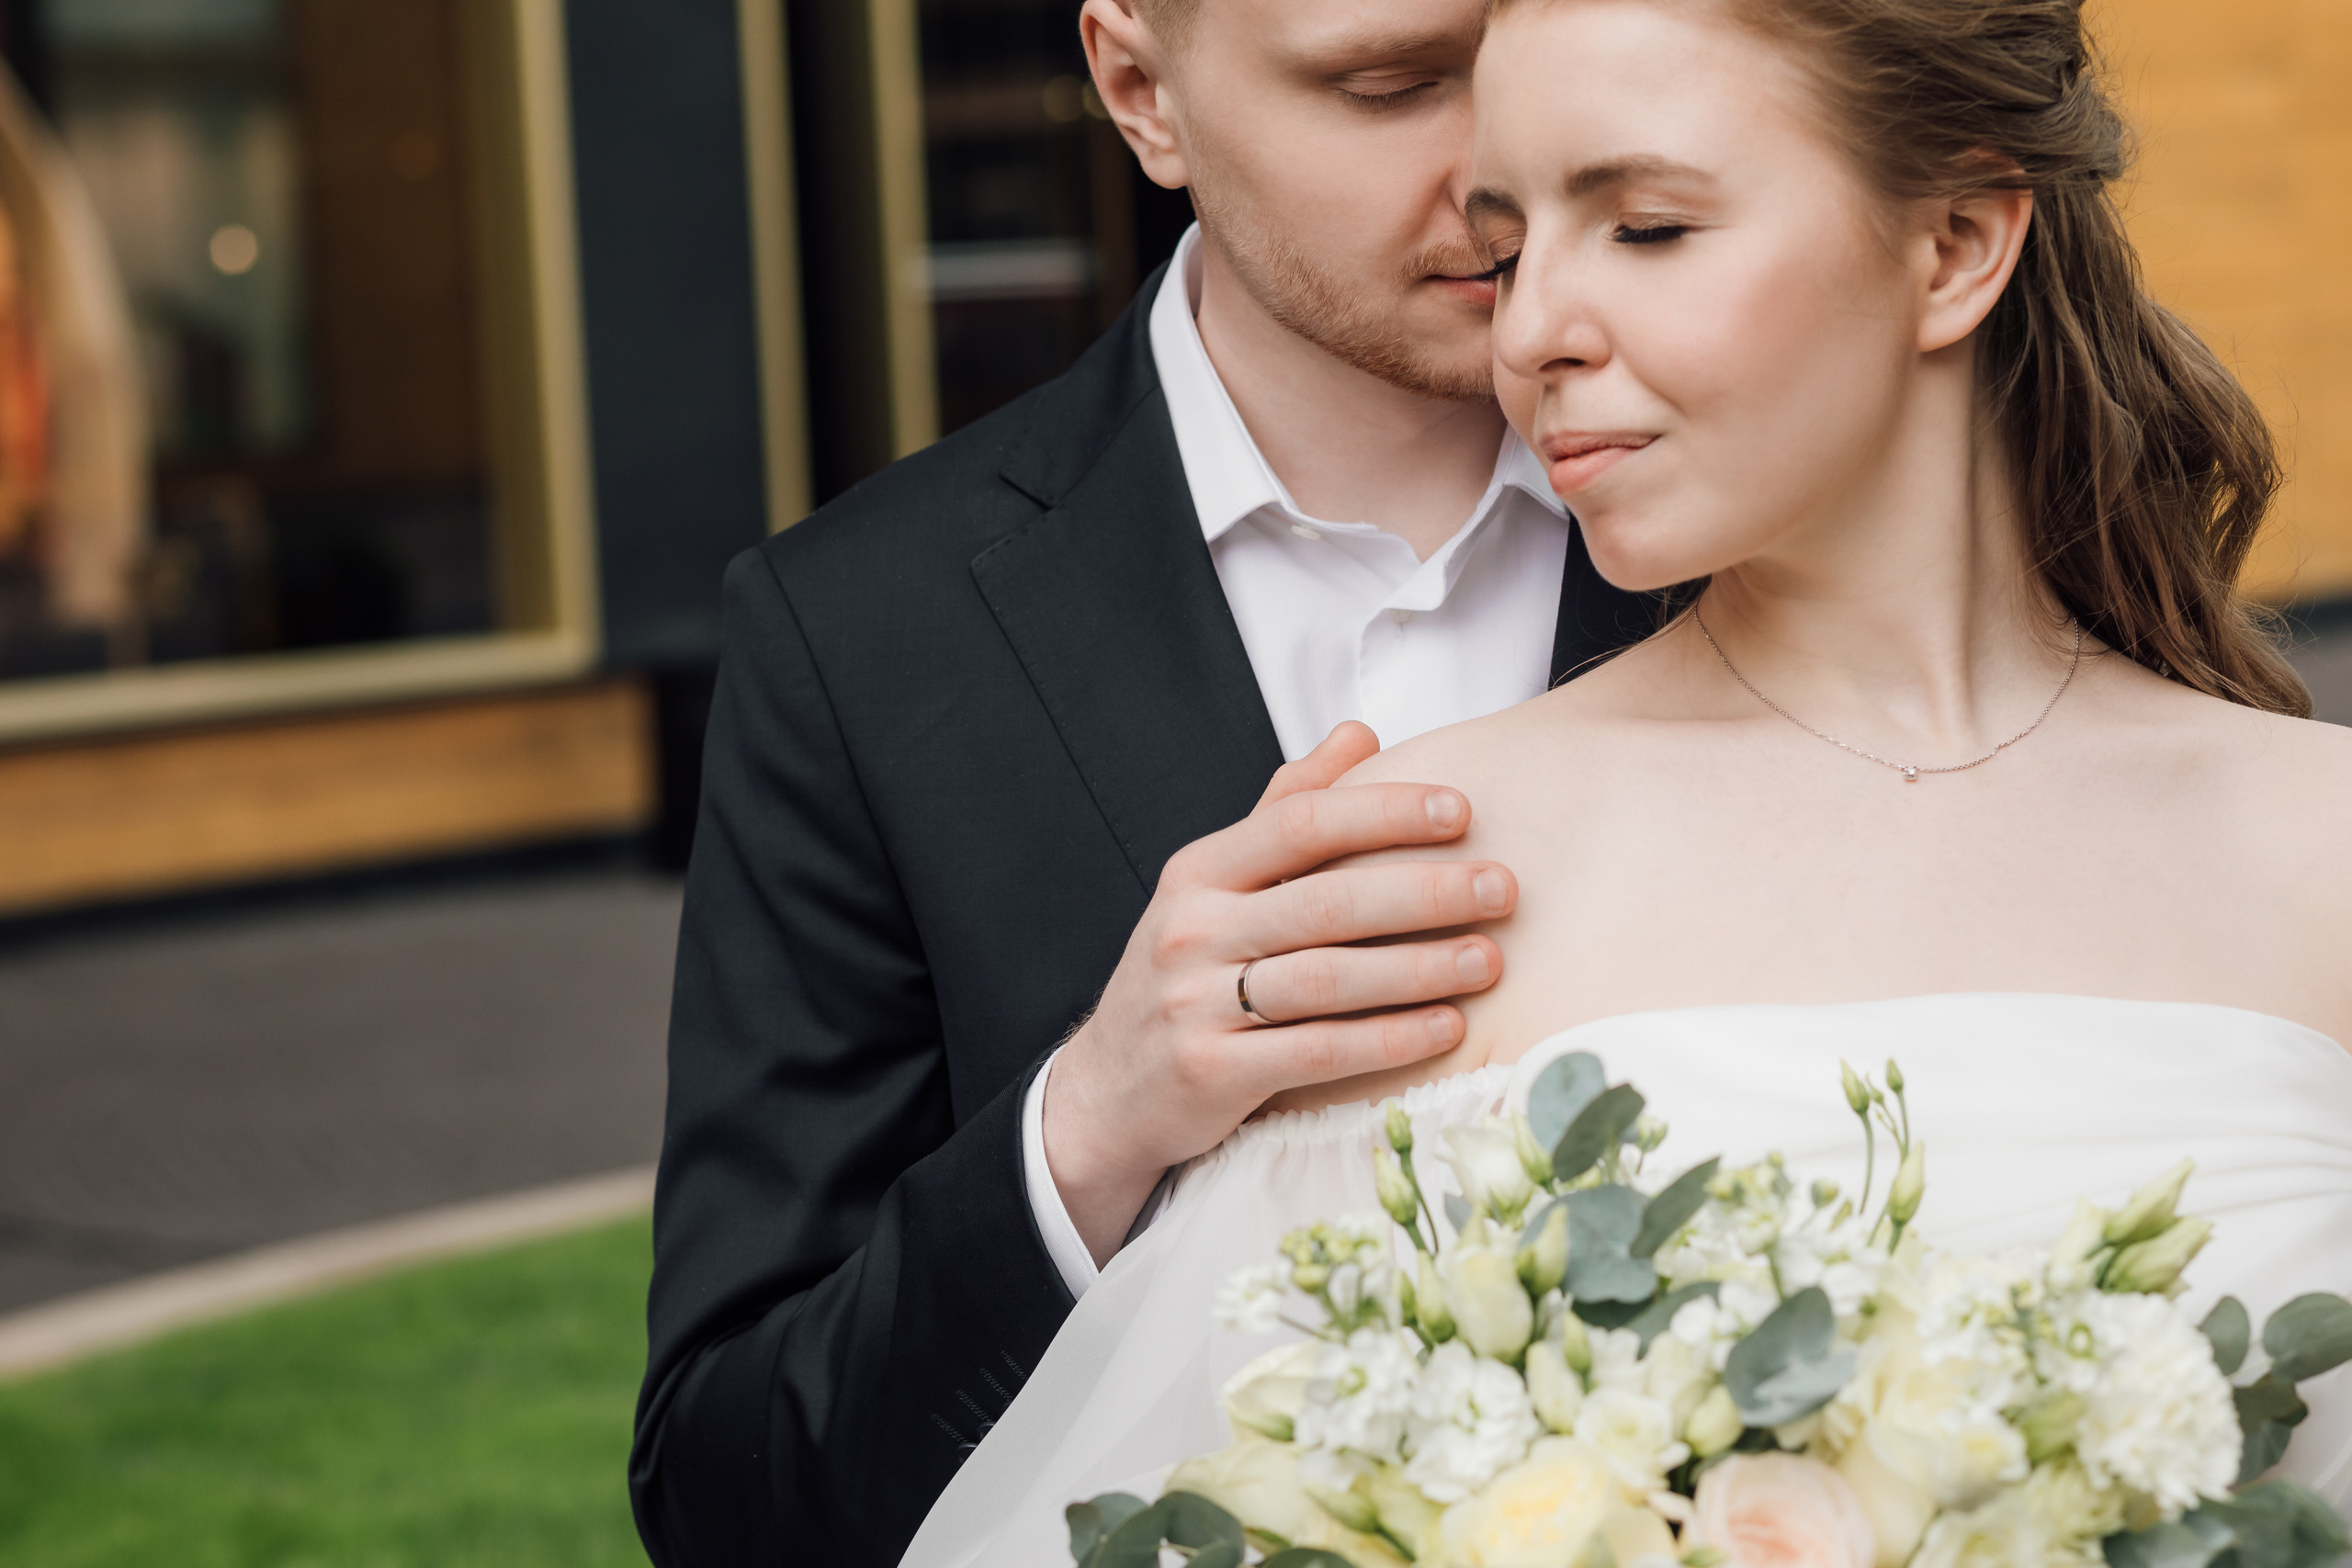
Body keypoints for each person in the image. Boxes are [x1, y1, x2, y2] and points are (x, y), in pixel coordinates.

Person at [898, 0, 2352, 1559]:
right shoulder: (1413, 874)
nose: (1526, 334)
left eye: (1647, 227)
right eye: (1511, 247)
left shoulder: (2320, 839)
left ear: (1953, 248)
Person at [628, 0, 1655, 1562]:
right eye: (1390, 85)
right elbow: (733, 1489)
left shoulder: (1797, 526)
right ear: (1137, 89)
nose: (1505, 173)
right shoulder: (857, 635)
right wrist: (1092, 1122)